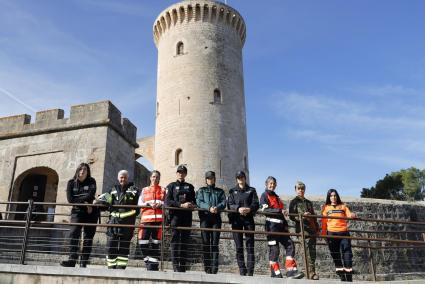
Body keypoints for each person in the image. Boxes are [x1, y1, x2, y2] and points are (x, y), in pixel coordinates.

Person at [260, 176, 304, 279]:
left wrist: (285, 226)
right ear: (266, 184)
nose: (272, 185)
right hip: (271, 228)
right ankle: (275, 273)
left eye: (274, 183)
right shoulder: (264, 195)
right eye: (270, 183)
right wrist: (280, 211)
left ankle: (291, 271)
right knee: (274, 250)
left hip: (281, 228)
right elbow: (265, 211)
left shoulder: (277, 197)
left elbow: (282, 214)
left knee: (290, 246)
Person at [95, 170, 139, 269]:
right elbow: (106, 203)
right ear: (118, 178)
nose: (123, 179)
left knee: (124, 248)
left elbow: (138, 208)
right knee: (110, 247)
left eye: (125, 177)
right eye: (121, 177)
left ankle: (120, 270)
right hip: (113, 223)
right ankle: (111, 269)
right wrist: (98, 203)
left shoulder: (134, 190)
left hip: (127, 224)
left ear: (128, 178)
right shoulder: (113, 189)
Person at [61, 163, 98, 268]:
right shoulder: (71, 183)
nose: (82, 171)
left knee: (88, 237)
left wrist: (82, 201)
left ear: (88, 172)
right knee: (73, 234)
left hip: (91, 213)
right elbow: (70, 200)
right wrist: (85, 203)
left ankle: (83, 262)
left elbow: (90, 194)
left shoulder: (92, 181)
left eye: (85, 170)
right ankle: (72, 260)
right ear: (77, 171)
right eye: (80, 169)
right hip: (77, 212)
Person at [227, 171, 259, 276]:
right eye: (238, 177)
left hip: (249, 220)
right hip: (236, 220)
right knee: (239, 246)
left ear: (245, 178)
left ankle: (250, 271)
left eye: (242, 177)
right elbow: (230, 204)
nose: (240, 179)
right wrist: (238, 208)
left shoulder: (251, 190)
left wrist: (249, 209)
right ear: (237, 179)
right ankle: (242, 269)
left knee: (250, 246)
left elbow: (256, 203)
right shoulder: (232, 191)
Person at [165, 165, 196, 272]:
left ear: (185, 174)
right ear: (176, 173)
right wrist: (180, 205)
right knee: (175, 242)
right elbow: (167, 201)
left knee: (185, 242)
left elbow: (194, 201)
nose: (181, 174)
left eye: (183, 172)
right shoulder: (171, 186)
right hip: (175, 217)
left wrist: (191, 204)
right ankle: (175, 267)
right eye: (179, 172)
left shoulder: (190, 187)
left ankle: (182, 267)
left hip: (187, 217)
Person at [321, 189, 357, 282]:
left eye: (335, 195)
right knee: (336, 256)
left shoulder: (343, 206)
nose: (333, 197)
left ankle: (349, 278)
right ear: (329, 197)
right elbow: (324, 222)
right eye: (331, 196)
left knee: (347, 255)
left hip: (344, 233)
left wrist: (352, 215)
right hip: (331, 234)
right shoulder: (326, 207)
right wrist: (324, 234)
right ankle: (342, 277)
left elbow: (349, 214)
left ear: (337, 196)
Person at [196, 171, 226, 274]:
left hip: (216, 219)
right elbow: (199, 202)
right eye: (208, 178)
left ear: (214, 179)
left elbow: (223, 202)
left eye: (212, 178)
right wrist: (209, 208)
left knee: (215, 244)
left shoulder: (220, 191)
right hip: (204, 219)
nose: (210, 180)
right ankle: (207, 268)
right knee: (205, 243)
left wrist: (217, 208)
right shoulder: (201, 190)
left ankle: (214, 268)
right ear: (206, 179)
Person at [289, 181, 320, 280]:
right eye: (299, 188)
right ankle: (309, 273)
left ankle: (311, 272)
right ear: (295, 190)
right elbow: (291, 216)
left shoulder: (309, 202)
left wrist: (317, 228)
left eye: (302, 189)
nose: (301, 190)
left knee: (312, 252)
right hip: (302, 230)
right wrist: (301, 217)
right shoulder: (294, 202)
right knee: (306, 252)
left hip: (311, 230)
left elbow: (314, 216)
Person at [137, 170, 166, 271]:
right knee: (142, 242)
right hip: (146, 220)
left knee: (155, 244)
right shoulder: (144, 190)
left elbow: (166, 203)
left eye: (157, 177)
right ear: (150, 178)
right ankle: (147, 260)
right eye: (153, 176)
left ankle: (152, 267)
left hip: (158, 222)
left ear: (159, 178)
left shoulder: (163, 190)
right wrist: (148, 204)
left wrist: (161, 204)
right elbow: (139, 203)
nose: (155, 179)